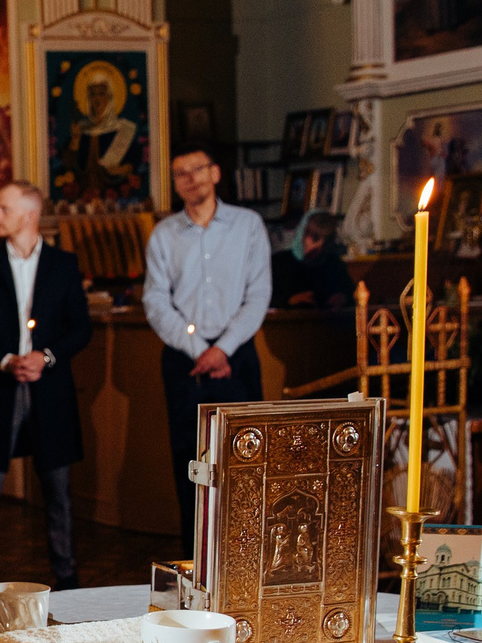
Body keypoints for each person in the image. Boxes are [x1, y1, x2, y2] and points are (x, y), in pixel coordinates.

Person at [0, 182, 92, 597]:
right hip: (0, 388)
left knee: (58, 489)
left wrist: (45, 357)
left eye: (2, 210)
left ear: (29, 216)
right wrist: (5, 360)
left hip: (50, 390)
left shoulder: (65, 265)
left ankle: (66, 577)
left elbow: (80, 328)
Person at [144, 146, 272, 549]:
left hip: (237, 357)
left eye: (198, 169)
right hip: (185, 358)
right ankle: (194, 557)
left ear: (215, 173)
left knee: (247, 459)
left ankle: (245, 552)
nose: (191, 178)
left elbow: (259, 294)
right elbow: (155, 301)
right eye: (180, 173)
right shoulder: (165, 234)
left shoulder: (247, 225)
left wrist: (223, 349)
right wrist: (200, 348)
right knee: (190, 462)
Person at [273, 211, 355, 313]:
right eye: (315, 239)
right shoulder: (279, 262)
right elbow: (261, 299)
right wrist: (289, 300)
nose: (319, 247)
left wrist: (343, 298)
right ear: (304, 235)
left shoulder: (334, 264)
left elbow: (352, 293)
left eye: (326, 243)